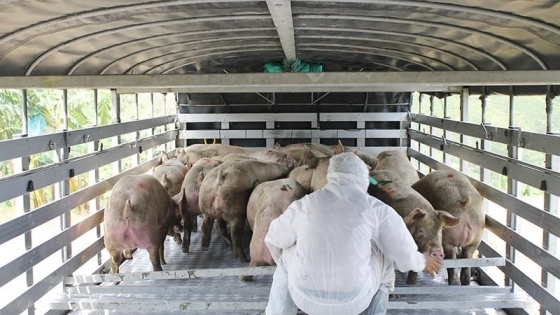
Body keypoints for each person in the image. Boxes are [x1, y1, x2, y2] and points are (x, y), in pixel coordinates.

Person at [263, 152, 442, 315]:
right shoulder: (374, 207)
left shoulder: (306, 203)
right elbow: (400, 250)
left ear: (331, 175)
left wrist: (295, 261)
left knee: (288, 251)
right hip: (355, 300)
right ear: (362, 178)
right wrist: (420, 260)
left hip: (305, 297)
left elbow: (274, 236)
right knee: (385, 254)